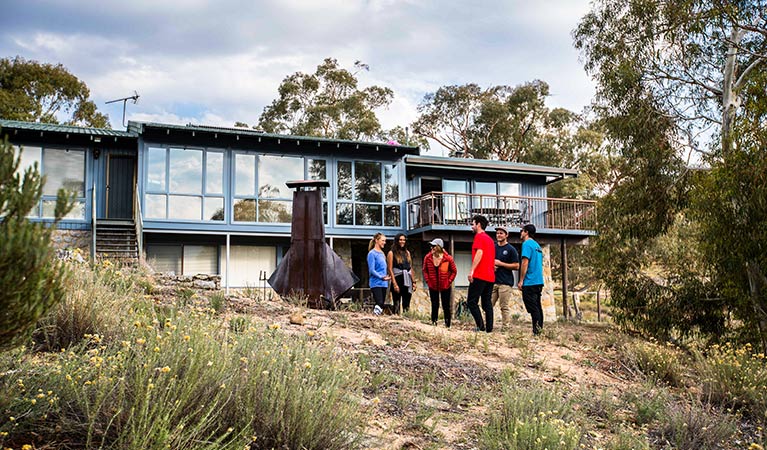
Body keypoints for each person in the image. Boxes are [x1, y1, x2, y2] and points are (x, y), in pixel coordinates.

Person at [467, 215, 496, 332]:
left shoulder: (479, 237)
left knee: (471, 302)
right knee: (487, 303)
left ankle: (480, 326)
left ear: (478, 224)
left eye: (473, 224)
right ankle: (489, 329)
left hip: (480, 274)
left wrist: (472, 270)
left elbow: (479, 253)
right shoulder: (490, 239)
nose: (472, 226)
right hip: (490, 276)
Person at [422, 238, 457, 327]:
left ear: (439, 247)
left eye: (434, 246)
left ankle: (448, 324)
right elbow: (425, 270)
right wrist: (428, 281)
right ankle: (434, 323)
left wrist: (449, 281)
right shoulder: (428, 257)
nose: (432, 248)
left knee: (446, 306)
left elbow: (454, 271)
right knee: (434, 304)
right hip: (433, 285)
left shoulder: (448, 258)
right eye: (431, 246)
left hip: (445, 285)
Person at [517, 223, 544, 335]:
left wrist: (521, 280)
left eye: (521, 231)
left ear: (526, 232)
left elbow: (525, 262)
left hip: (530, 281)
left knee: (533, 307)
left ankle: (536, 332)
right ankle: (539, 330)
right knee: (537, 306)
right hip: (539, 280)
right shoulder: (537, 245)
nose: (520, 233)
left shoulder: (527, 244)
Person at [492, 226, 520, 330]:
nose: (498, 235)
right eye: (497, 233)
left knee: (504, 306)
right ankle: (487, 325)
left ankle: (505, 327)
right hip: (493, 281)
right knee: (488, 305)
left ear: (506, 235)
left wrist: (501, 264)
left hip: (505, 282)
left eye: (501, 233)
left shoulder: (511, 249)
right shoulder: (493, 247)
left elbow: (516, 266)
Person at [387, 233, 415, 314]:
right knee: (396, 303)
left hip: (407, 279)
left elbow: (410, 267)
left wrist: (413, 282)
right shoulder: (391, 253)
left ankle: (407, 319)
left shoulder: (407, 253)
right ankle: (396, 319)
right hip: (397, 278)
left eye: (404, 240)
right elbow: (390, 269)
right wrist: (394, 284)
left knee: (406, 303)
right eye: (400, 240)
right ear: (397, 241)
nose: (402, 241)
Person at [367, 232, 391, 316]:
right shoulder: (372, 254)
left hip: (384, 283)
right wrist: (381, 277)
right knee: (379, 302)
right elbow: (371, 270)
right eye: (383, 240)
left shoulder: (382, 253)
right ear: (377, 241)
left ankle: (377, 317)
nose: (384, 242)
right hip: (376, 282)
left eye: (385, 241)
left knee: (382, 303)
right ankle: (375, 316)